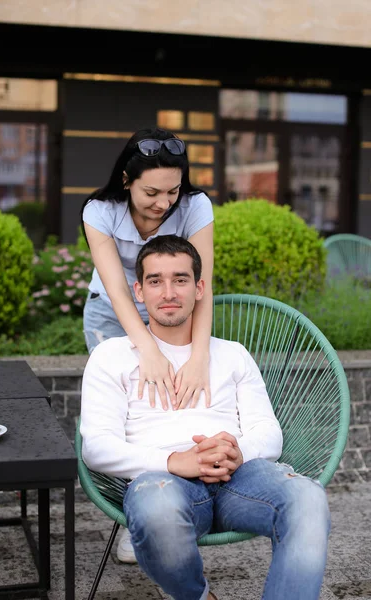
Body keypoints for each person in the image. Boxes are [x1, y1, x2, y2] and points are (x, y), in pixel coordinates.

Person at [80, 235, 331, 600]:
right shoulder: (111, 356)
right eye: (155, 281)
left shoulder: (232, 354)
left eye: (180, 279)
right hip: (162, 479)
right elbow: (97, 447)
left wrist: (235, 451)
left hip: (241, 477)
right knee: (156, 512)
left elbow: (268, 431)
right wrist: (174, 461)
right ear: (139, 290)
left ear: (199, 288)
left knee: (309, 498)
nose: (168, 292)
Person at [80, 127, 214, 561]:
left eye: (172, 191)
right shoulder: (99, 211)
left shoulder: (195, 206)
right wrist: (149, 351)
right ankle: (132, 521)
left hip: (173, 309)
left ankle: (161, 511)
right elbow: (120, 292)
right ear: (126, 180)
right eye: (152, 192)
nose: (163, 203)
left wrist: (199, 355)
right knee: (128, 417)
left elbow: (202, 288)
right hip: (111, 314)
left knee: (170, 410)